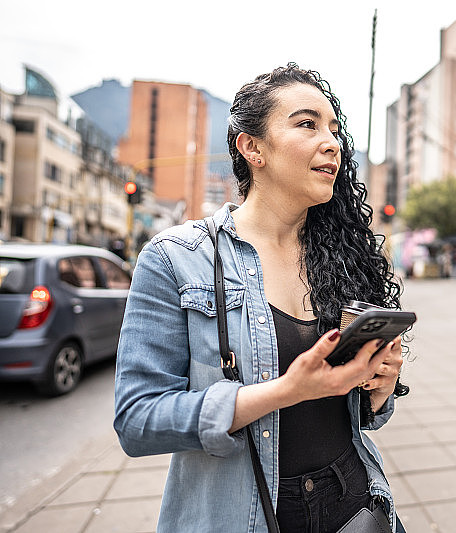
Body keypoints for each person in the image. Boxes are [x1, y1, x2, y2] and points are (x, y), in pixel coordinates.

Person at [114, 64, 407, 533]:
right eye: (307, 124)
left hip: (353, 505)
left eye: (334, 129)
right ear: (252, 148)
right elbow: (137, 420)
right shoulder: (176, 259)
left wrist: (378, 388)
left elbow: (355, 415)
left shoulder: (341, 257)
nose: (332, 142)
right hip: (244, 516)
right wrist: (286, 391)